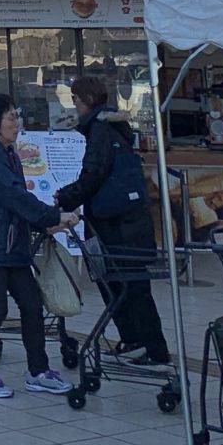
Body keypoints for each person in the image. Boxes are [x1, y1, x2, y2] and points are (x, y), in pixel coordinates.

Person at [0, 93, 76, 398]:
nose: (17, 122)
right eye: (11, 117)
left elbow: (17, 200)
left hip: (11, 246)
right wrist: (50, 216)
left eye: (16, 115)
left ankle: (38, 371)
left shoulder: (7, 151)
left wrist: (48, 221)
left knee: (31, 305)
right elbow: (12, 195)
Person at [55, 74, 170, 366]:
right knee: (120, 284)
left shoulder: (101, 130)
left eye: (76, 100)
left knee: (130, 285)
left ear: (88, 100)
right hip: (127, 220)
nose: (74, 106)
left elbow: (94, 173)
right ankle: (134, 339)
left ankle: (154, 348)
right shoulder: (113, 127)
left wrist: (66, 197)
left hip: (117, 224)